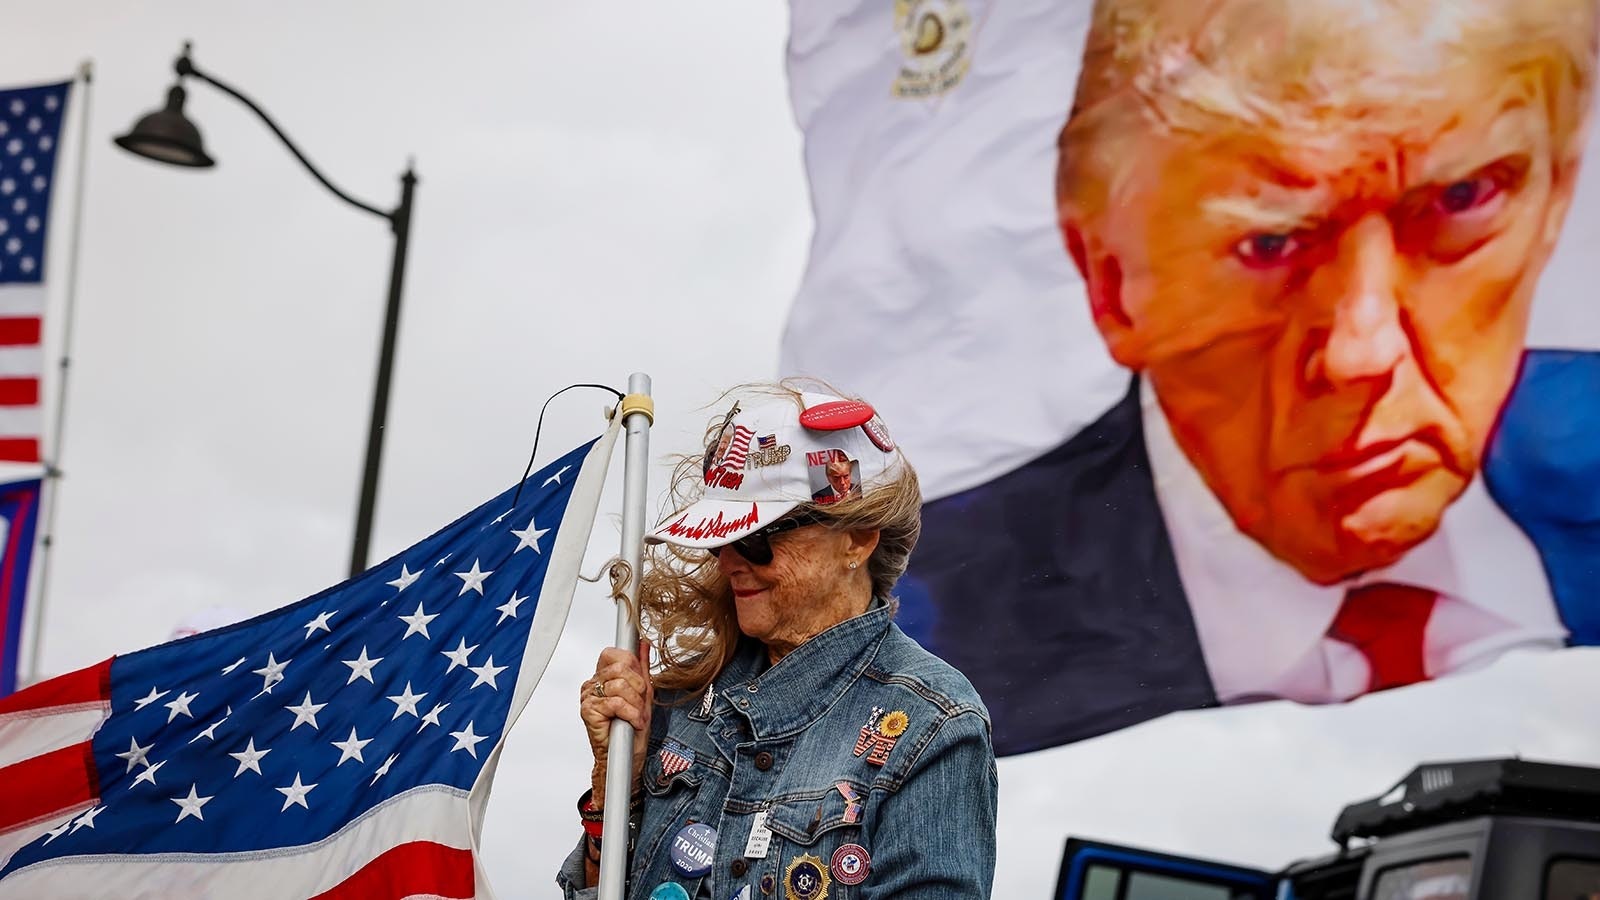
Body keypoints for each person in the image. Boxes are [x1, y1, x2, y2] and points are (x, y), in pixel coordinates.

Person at [896, 0, 1600, 753]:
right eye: (1271, 242)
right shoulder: (921, 626)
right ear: (1111, 284)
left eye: (1462, 200)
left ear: (1559, 194)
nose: (1363, 352)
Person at [557, 384, 998, 899]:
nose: (727, 560)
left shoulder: (934, 726)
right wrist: (616, 789)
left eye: (755, 538)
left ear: (856, 538)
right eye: (720, 538)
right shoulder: (677, 700)